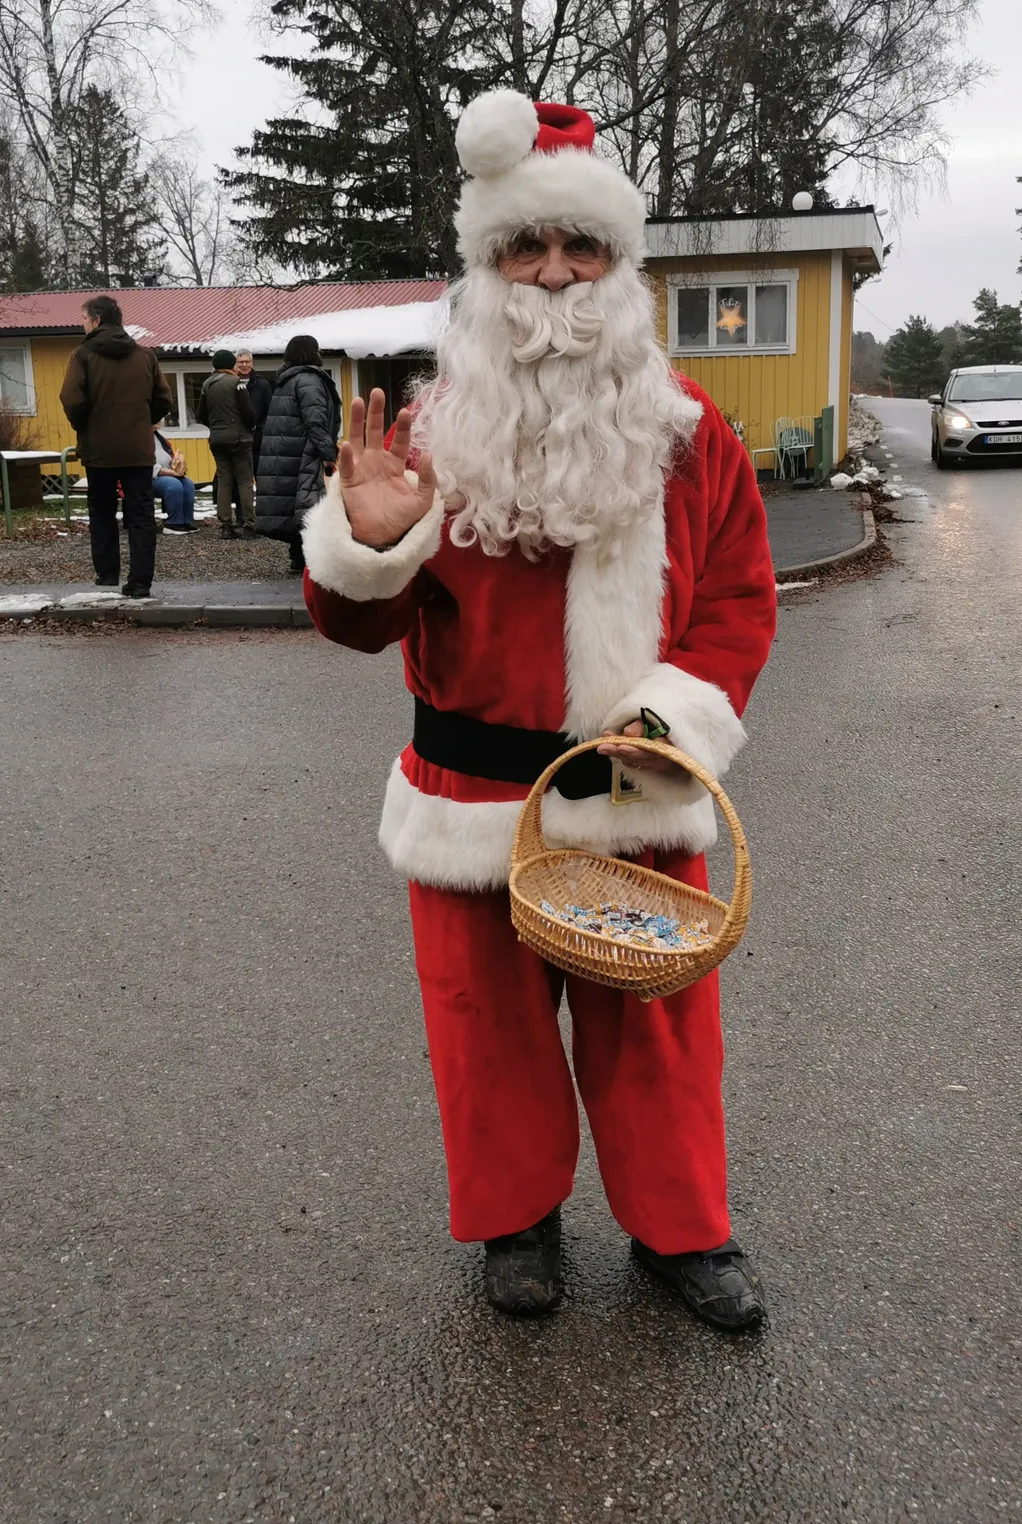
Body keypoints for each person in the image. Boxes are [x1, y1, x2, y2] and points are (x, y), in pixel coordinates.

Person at [301, 91, 776, 1331]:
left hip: (636, 791)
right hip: (469, 805)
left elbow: (737, 601)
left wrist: (671, 728)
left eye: (582, 249)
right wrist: (367, 542)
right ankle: (517, 1223)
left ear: (620, 267)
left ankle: (682, 1233)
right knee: (486, 1038)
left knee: (659, 1039)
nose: (555, 273)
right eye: (526, 248)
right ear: (487, 266)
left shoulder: (688, 435)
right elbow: (358, 623)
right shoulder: (431, 432)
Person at [59, 294, 172, 597]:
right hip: (137, 449)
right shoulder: (145, 355)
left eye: (83, 319)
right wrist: (142, 422)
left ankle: (107, 575)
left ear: (96, 320)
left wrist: (86, 426)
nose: (82, 325)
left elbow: (71, 398)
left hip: (99, 450)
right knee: (140, 514)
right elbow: (164, 399)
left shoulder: (82, 355)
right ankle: (140, 582)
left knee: (102, 511)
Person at [255, 334, 341, 574]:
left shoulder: (285, 380)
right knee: (311, 503)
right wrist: (328, 451)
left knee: (296, 502)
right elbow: (315, 420)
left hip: (287, 452)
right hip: (305, 452)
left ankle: (298, 556)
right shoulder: (309, 380)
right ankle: (310, 558)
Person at [197, 349, 257, 539]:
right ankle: (249, 525)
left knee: (224, 481)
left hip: (217, 439)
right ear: (232, 365)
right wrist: (250, 426)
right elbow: (248, 413)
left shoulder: (207, 385)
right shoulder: (236, 383)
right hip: (239, 439)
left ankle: (225, 526)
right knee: (245, 481)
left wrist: (216, 428)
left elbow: (201, 415)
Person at [234, 350, 273, 477]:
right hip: (236, 440)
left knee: (261, 476)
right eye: (241, 362)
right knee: (240, 478)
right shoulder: (230, 383)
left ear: (252, 363)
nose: (244, 365)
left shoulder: (262, 385)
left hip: (258, 441)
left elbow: (270, 412)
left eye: (247, 361)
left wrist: (261, 430)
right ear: (235, 363)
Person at [152, 430, 196, 533]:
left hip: (166, 473)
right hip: (149, 477)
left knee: (188, 484)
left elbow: (167, 456)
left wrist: (177, 464)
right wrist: (170, 473)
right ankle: (173, 523)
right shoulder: (140, 437)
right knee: (173, 484)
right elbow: (148, 464)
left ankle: (185, 522)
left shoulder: (158, 437)